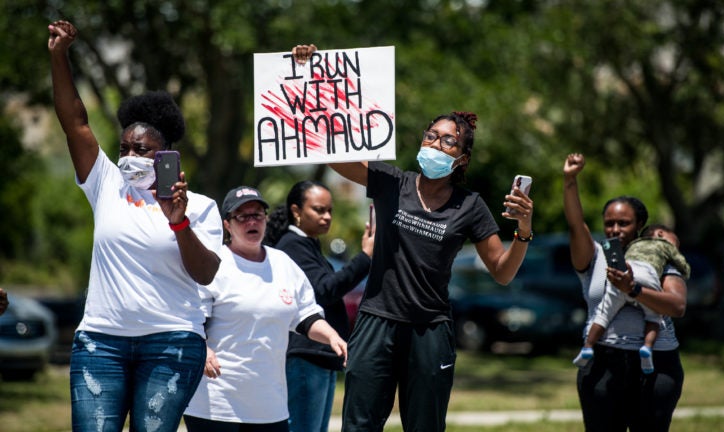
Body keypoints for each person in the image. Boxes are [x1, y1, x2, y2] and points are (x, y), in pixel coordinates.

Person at [296, 39, 535, 432]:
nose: (435, 144)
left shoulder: (471, 205)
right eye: (431, 135)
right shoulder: (392, 181)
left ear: (462, 159)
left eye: (448, 141)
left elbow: (502, 272)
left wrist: (523, 232)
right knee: (358, 425)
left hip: (430, 330)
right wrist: (312, 78)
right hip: (376, 322)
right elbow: (332, 152)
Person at [48, 20, 223, 432]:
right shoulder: (106, 183)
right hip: (100, 343)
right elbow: (74, 122)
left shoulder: (199, 206)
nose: (128, 156)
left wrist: (178, 223)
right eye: (123, 147)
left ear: (165, 155)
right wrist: (59, 56)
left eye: (140, 149)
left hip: (172, 343)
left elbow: (206, 273)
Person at [184, 186, 348, 432]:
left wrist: (333, 337)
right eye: (243, 216)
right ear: (227, 225)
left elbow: (306, 317)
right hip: (216, 403)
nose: (252, 221)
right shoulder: (214, 263)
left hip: (270, 406)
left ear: (266, 220)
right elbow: (191, 321)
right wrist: (203, 350)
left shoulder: (282, 263)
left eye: (258, 215)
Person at [563, 153, 687, 431]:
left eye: (624, 223)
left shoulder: (660, 256)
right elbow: (575, 223)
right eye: (609, 223)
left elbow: (677, 306)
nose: (615, 229)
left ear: (640, 225)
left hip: (656, 366)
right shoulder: (594, 256)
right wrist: (570, 180)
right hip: (603, 364)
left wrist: (632, 288)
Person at [263, 181, 374, 432]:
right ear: (297, 211)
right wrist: (365, 257)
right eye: (319, 210)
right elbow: (323, 291)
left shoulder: (307, 244)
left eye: (330, 211)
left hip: (319, 357)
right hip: (306, 356)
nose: (327, 217)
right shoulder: (292, 246)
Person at [573, 224, 691, 374]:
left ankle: (587, 347)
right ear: (660, 234)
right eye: (676, 242)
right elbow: (680, 261)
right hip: (647, 276)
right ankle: (647, 348)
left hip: (625, 273)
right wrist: (685, 271)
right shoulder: (665, 245)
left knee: (602, 315)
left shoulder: (632, 245)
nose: (676, 246)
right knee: (654, 317)